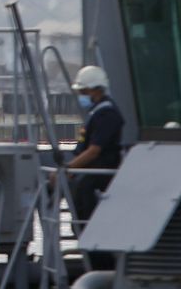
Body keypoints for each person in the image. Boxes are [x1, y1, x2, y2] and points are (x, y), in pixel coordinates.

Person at [64, 65, 125, 270]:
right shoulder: (97, 113)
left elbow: (94, 150)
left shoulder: (107, 114)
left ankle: (101, 265)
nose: (82, 96)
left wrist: (68, 169)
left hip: (97, 176)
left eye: (84, 91)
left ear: (96, 90)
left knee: (88, 218)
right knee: (80, 214)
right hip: (87, 175)